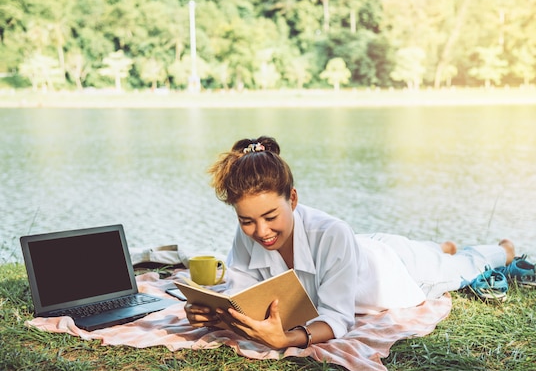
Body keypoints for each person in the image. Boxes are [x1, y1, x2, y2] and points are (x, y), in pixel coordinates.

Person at [185, 136, 517, 350]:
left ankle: (501, 250)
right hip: (361, 246)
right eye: (247, 221)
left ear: (294, 199)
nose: (261, 230)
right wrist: (214, 312)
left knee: (460, 266)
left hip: (395, 270)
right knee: (424, 248)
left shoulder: (331, 233)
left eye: (271, 216)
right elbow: (241, 290)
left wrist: (286, 339)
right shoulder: (251, 232)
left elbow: (337, 318)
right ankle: (439, 246)